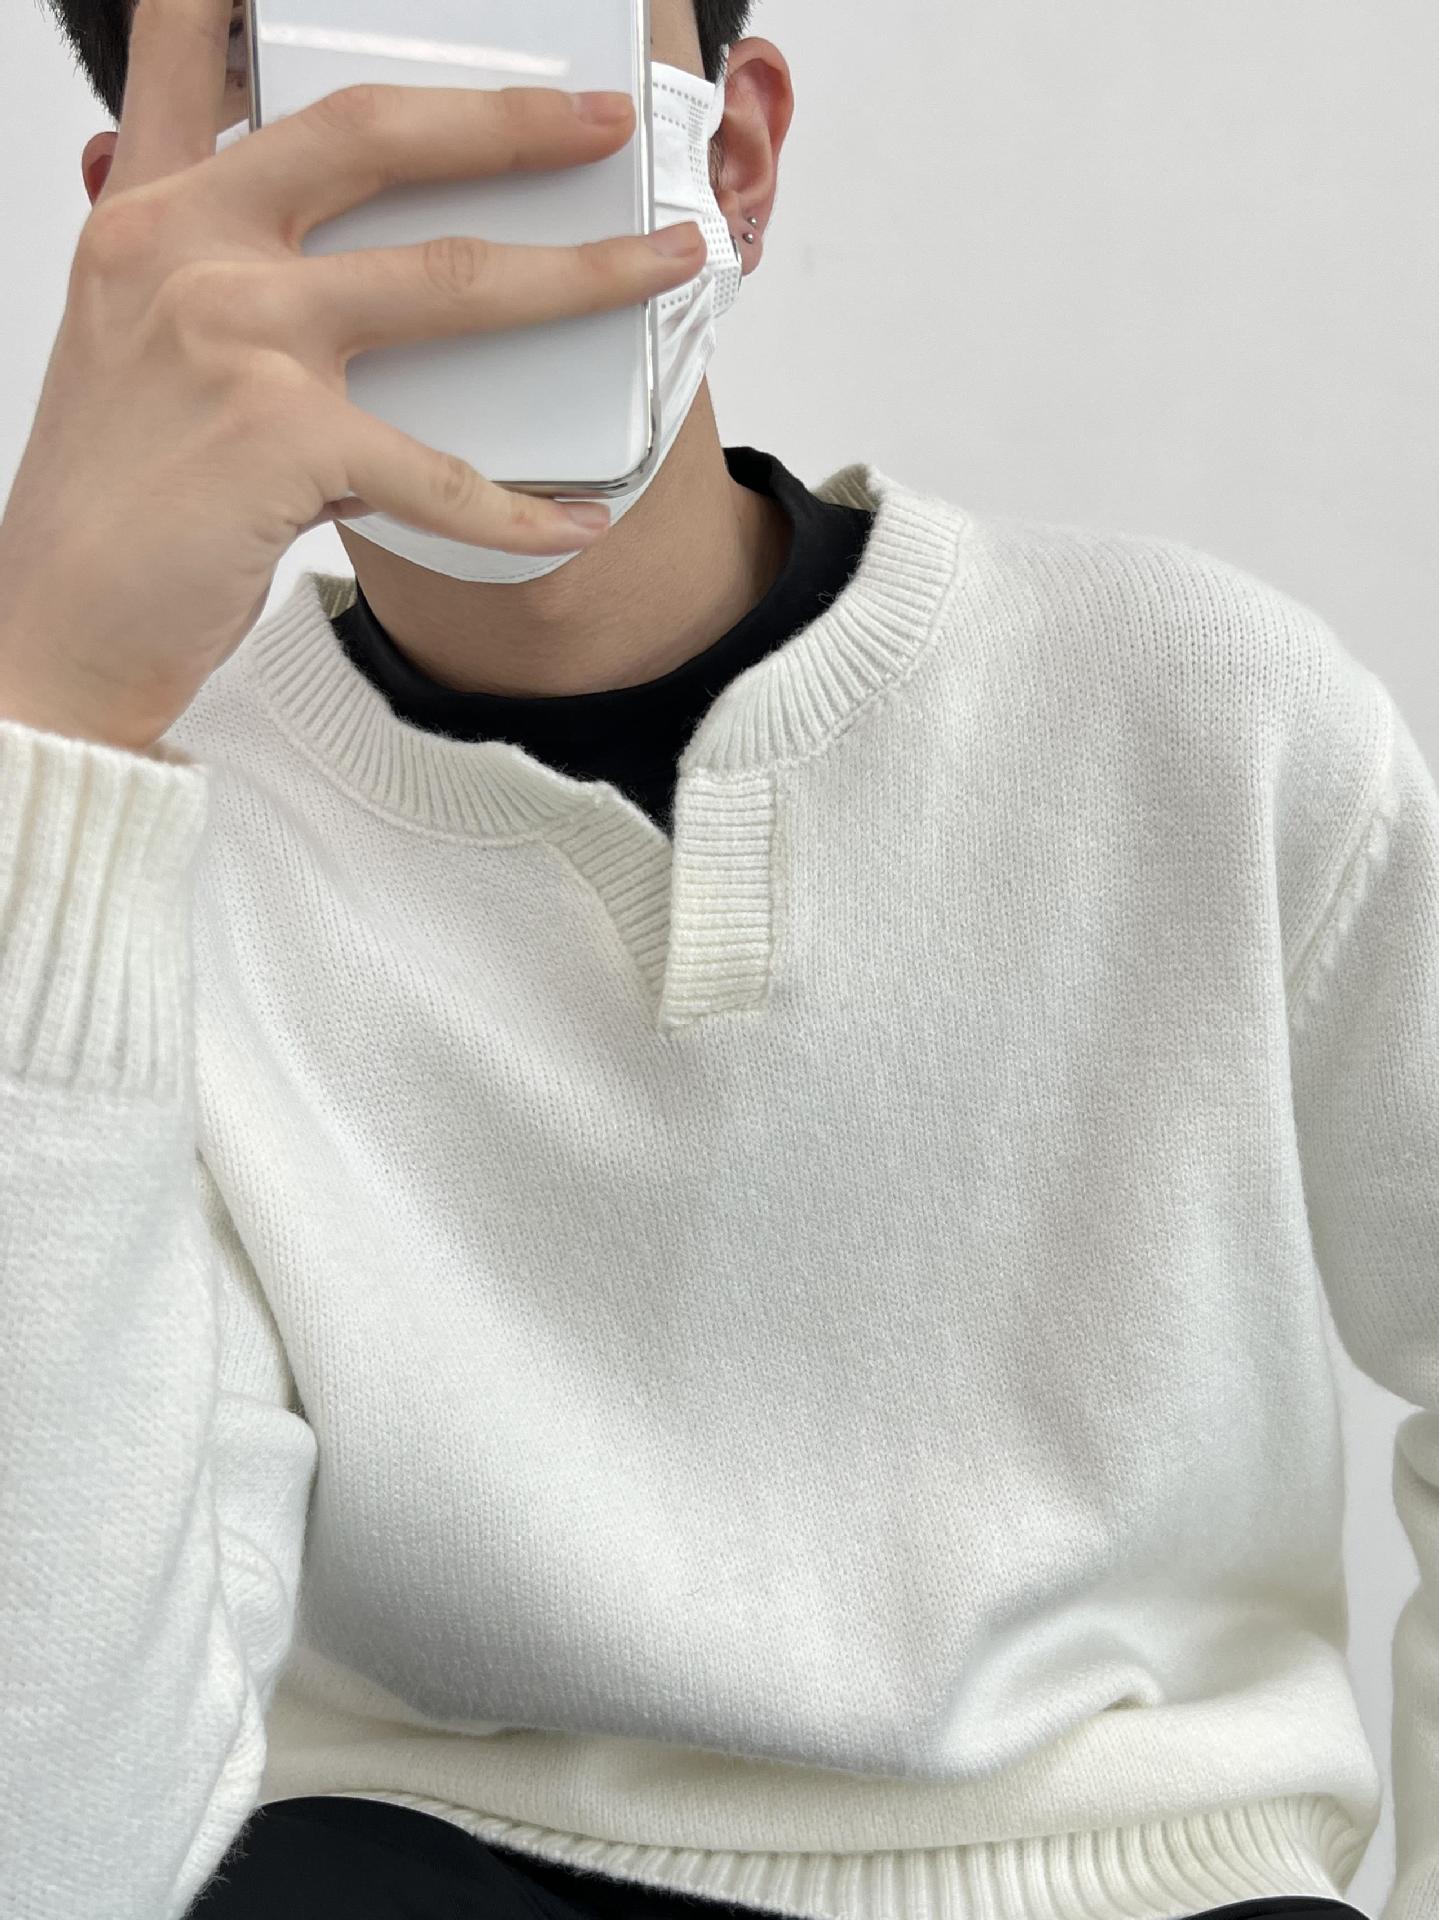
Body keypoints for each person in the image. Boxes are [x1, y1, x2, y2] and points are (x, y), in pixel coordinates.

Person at [0, 0, 1431, 1915]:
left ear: (732, 157)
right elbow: (58, 1852)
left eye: (515, 31)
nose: (426, 144)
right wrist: (53, 718)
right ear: (141, 241)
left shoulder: (1208, 716)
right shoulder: (120, 850)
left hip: (1141, 1878)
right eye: (310, 65)